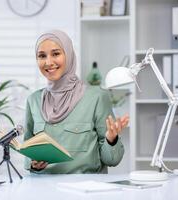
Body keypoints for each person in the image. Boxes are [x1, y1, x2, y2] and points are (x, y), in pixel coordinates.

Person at [24, 30, 129, 174]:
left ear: (69, 55)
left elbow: (112, 160)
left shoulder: (96, 97)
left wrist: (111, 139)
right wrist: (34, 164)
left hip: (85, 190)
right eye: (42, 56)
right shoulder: (33, 100)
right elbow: (28, 156)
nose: (48, 62)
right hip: (43, 189)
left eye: (56, 54)